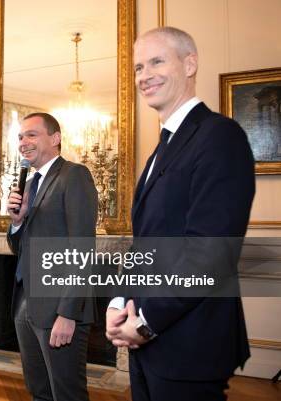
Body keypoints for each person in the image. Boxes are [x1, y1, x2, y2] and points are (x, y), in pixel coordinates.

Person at [105, 27, 254, 401]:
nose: (144, 75)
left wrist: (147, 321)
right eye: (138, 66)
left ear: (190, 64)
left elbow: (211, 252)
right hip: (149, 344)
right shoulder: (161, 148)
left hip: (190, 342)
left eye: (156, 61)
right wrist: (119, 303)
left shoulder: (219, 135)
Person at [6, 112, 98, 401]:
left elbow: (83, 249)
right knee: (39, 391)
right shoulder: (30, 184)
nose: (23, 142)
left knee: (67, 394)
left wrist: (67, 313)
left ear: (55, 139)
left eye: (31, 134)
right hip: (25, 303)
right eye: (20, 136)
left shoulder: (74, 175)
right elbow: (18, 246)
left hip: (60, 307)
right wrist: (17, 222)